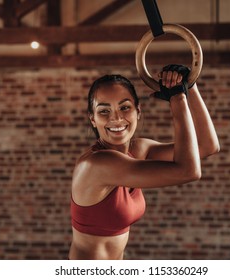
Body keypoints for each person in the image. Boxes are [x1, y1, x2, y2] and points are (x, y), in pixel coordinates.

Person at [69, 65, 220, 260]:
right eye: (104, 111)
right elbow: (188, 171)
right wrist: (178, 98)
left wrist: (190, 86)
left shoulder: (138, 150)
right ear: (92, 119)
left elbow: (207, 146)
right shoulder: (98, 163)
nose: (116, 118)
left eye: (124, 108)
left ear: (138, 111)